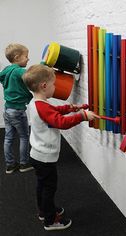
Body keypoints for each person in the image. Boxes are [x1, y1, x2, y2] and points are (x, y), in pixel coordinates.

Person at [22, 64, 99, 231]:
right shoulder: (42, 106)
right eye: (53, 84)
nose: (55, 88)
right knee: (49, 188)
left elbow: (53, 111)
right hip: (45, 156)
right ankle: (50, 221)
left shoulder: (36, 102)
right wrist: (82, 116)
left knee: (42, 185)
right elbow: (60, 122)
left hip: (37, 154)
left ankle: (44, 211)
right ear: (44, 86)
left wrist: (70, 108)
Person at [0, 43, 33, 174]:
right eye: (26, 56)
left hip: (7, 110)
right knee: (24, 137)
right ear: (17, 57)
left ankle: (10, 165)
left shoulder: (6, 70)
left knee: (8, 138)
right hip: (18, 111)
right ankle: (24, 164)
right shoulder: (20, 71)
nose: (28, 59)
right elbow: (33, 77)